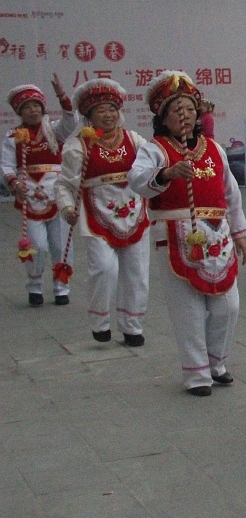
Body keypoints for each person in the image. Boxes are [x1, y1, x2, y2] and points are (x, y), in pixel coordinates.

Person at [129, 71, 246, 397]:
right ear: (163, 117)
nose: (184, 115)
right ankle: (197, 374)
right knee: (189, 310)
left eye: (189, 109)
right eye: (176, 110)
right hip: (176, 236)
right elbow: (137, 180)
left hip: (217, 235)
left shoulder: (214, 149)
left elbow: (230, 192)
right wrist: (166, 173)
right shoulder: (155, 149)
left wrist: (239, 231)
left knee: (228, 305)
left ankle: (217, 362)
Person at [55, 79, 150, 344]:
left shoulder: (134, 140)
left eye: (112, 109)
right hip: (96, 214)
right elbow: (64, 183)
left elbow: (153, 164)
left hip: (134, 212)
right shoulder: (79, 146)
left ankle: (132, 326)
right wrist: (67, 207)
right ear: (89, 115)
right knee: (104, 269)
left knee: (137, 272)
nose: (108, 115)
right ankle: (100, 322)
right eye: (101, 111)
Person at [2, 84, 76, 306]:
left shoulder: (54, 130)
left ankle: (61, 287)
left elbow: (71, 122)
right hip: (31, 197)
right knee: (38, 245)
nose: (33, 111)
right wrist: (15, 183)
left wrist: (62, 96)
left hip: (58, 194)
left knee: (60, 245)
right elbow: (6, 165)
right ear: (20, 112)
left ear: (43, 108)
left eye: (36, 106)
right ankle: (34, 286)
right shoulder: (13, 136)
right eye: (27, 107)